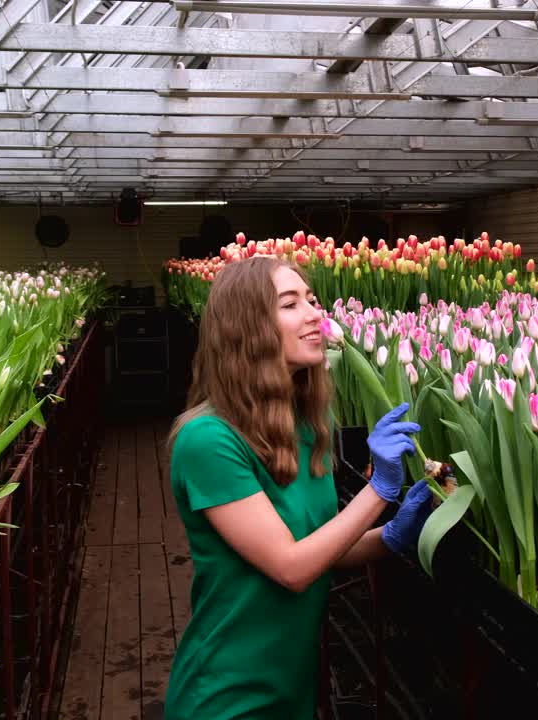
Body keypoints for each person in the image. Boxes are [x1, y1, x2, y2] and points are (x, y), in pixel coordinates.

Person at [165, 255, 433, 720]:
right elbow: (292, 567)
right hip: (228, 692)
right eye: (290, 304)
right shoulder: (208, 440)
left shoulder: (310, 426)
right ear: (245, 328)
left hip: (293, 684)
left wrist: (388, 540)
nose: (314, 313)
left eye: (312, 299)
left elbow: (317, 543)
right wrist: (379, 492)